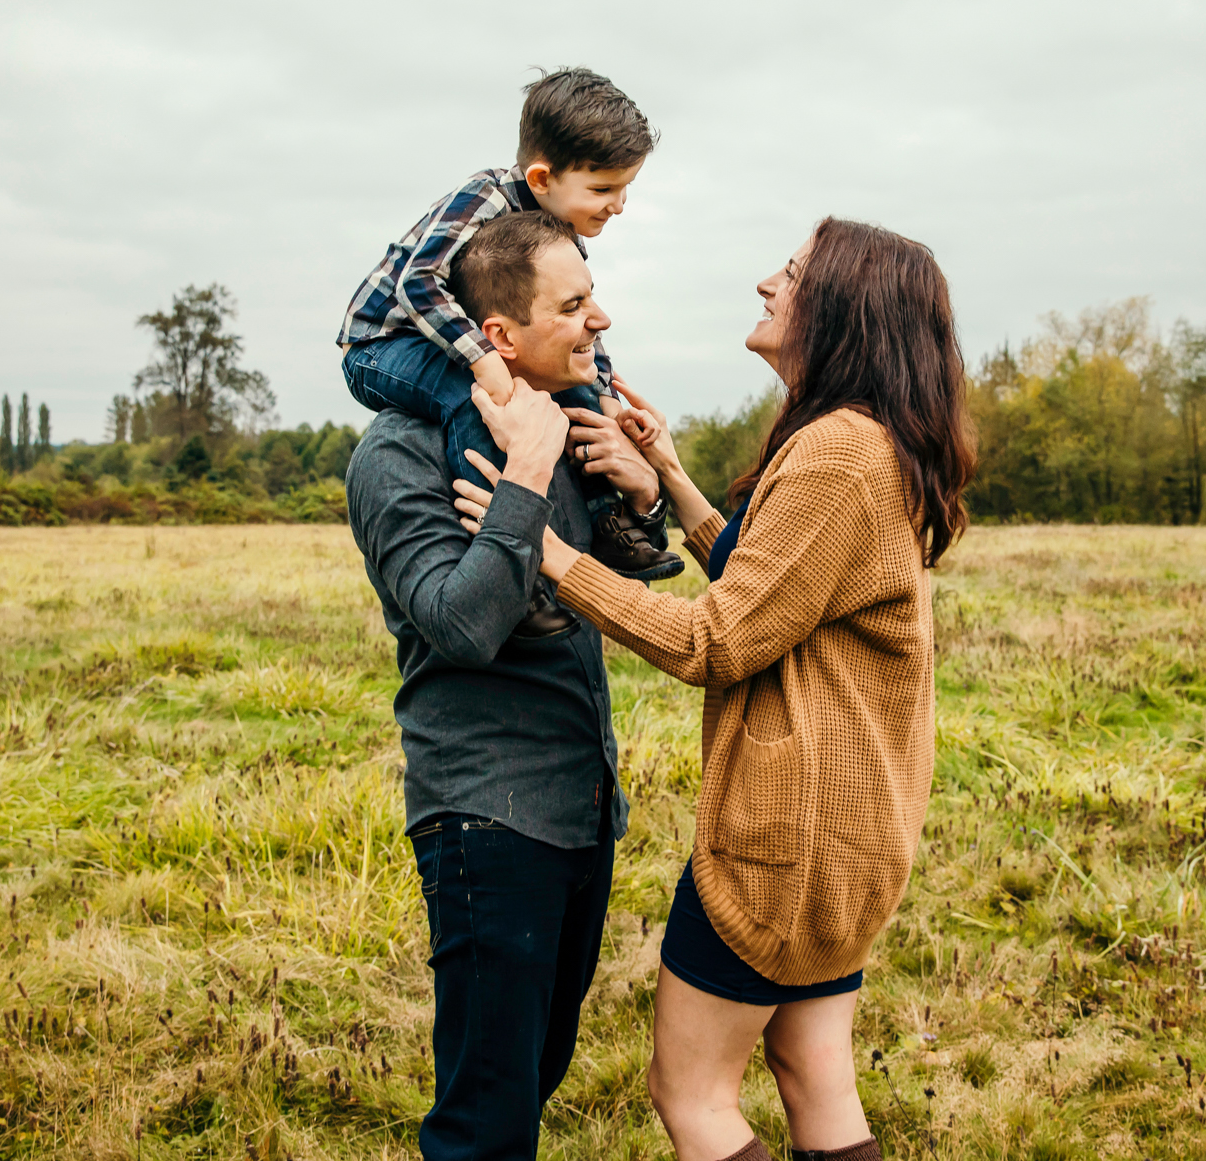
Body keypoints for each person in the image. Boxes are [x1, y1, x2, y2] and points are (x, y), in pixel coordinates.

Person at [455, 217, 977, 1161]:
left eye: (790, 273)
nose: (767, 284)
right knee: (813, 1067)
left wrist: (548, 550)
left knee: (692, 1093)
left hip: (787, 838)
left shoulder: (835, 455)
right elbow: (781, 585)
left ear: (843, 309)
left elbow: (722, 637)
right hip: (855, 834)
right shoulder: (868, 444)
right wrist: (673, 482)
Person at [343, 210, 673, 1161]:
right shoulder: (398, 452)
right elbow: (461, 625)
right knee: (486, 1119)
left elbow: (626, 577)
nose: (599, 319)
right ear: (499, 336)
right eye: (573, 305)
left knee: (534, 1076)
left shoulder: (571, 421)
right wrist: (524, 481)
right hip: (487, 816)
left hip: (580, 805)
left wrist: (642, 491)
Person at [338, 66, 682, 626]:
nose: (619, 205)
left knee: (581, 400)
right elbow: (418, 282)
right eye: (603, 189)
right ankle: (509, 567)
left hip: (462, 342)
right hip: (386, 341)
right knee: (472, 399)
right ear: (542, 178)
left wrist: (609, 402)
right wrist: (482, 359)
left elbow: (584, 322)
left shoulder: (557, 229)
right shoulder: (486, 197)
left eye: (626, 189)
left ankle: (610, 526)